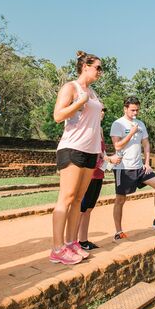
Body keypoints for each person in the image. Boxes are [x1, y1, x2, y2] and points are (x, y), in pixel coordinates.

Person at [50, 51, 103, 265]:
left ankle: (71, 243)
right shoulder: (71, 88)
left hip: (91, 150)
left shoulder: (93, 92)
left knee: (79, 200)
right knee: (67, 197)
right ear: (85, 67)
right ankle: (57, 248)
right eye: (97, 67)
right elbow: (57, 116)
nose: (101, 71)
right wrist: (79, 101)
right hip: (72, 148)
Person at [111, 96, 155, 239]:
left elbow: (146, 144)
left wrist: (147, 163)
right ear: (125, 109)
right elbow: (117, 145)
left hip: (140, 167)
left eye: (137, 110)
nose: (135, 113)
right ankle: (118, 231)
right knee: (120, 199)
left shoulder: (140, 124)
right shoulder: (118, 124)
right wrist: (132, 133)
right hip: (123, 168)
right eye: (132, 110)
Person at [75, 106, 122, 251]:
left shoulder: (100, 130)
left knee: (89, 208)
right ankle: (72, 242)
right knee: (80, 209)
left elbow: (101, 152)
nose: (102, 113)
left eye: (103, 111)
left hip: (98, 172)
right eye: (99, 110)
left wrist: (109, 160)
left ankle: (83, 240)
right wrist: (109, 159)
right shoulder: (87, 128)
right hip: (87, 172)